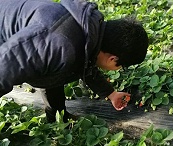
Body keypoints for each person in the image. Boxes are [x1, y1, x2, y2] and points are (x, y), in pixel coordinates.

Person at [0, 0, 149, 122]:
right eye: (121, 66)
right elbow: (3, 69)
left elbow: (85, 66)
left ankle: (58, 118)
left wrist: (111, 94)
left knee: (57, 70)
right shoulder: (57, 44)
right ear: (113, 59)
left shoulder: (89, 32)